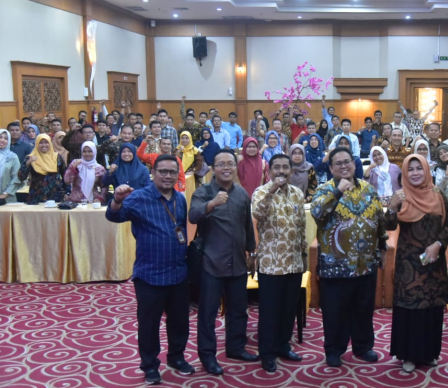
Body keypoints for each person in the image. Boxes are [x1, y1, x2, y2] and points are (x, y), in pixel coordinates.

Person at [105, 154, 193, 384]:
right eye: (162, 171)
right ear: (153, 173)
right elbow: (114, 216)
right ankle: (150, 365)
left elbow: (181, 230)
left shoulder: (180, 198)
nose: (167, 176)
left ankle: (176, 357)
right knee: (149, 325)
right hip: (150, 274)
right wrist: (117, 200)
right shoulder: (139, 197)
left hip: (178, 272)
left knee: (179, 322)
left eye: (172, 172)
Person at [310, 147, 387, 368]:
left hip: (366, 262)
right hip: (336, 266)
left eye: (347, 162)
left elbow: (379, 220)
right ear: (331, 168)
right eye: (338, 163)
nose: (344, 166)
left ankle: (363, 347)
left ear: (354, 164)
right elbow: (317, 213)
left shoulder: (368, 189)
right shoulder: (325, 189)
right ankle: (334, 350)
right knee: (335, 312)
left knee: (364, 309)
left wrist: (382, 246)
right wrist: (337, 192)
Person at [189, 149, 259, 376]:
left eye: (230, 163)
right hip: (211, 263)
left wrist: (252, 253)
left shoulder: (241, 193)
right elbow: (193, 216)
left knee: (238, 310)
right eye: (221, 164)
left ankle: (236, 347)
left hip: (238, 262)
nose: (226, 167)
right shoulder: (203, 192)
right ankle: (207, 356)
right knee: (208, 313)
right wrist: (212, 204)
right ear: (213, 168)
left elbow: (247, 225)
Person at [385, 154, 448, 373]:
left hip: (433, 262)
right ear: (405, 173)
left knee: (432, 309)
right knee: (410, 309)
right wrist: (392, 207)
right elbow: (388, 225)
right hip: (409, 264)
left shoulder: (438, 194)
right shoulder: (401, 195)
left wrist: (438, 245)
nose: (415, 173)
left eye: (419, 168)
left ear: (426, 170)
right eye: (410, 169)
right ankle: (408, 355)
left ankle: (429, 353)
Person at [251, 153, 308, 372]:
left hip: (294, 263)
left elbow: (301, 227)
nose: (281, 171)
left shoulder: (297, 193)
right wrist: (272, 190)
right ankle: (267, 352)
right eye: (277, 167)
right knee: (270, 311)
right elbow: (257, 214)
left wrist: (303, 256)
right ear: (269, 171)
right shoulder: (261, 192)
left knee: (288, 309)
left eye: (285, 167)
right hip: (271, 264)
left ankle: (283, 345)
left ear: (291, 171)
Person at [18, 134, 67, 204]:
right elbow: (21, 177)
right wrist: (28, 163)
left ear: (50, 143)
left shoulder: (57, 157)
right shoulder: (30, 158)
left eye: (46, 142)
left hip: (56, 196)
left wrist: (67, 192)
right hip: (36, 197)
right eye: (41, 143)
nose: (44, 145)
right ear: (37, 144)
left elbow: (65, 176)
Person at [0, 129, 22, 204]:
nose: (2, 140)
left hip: (7, 198)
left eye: (6, 138)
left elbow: (16, 178)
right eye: (0, 137)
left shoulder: (12, 157)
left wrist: (5, 194)